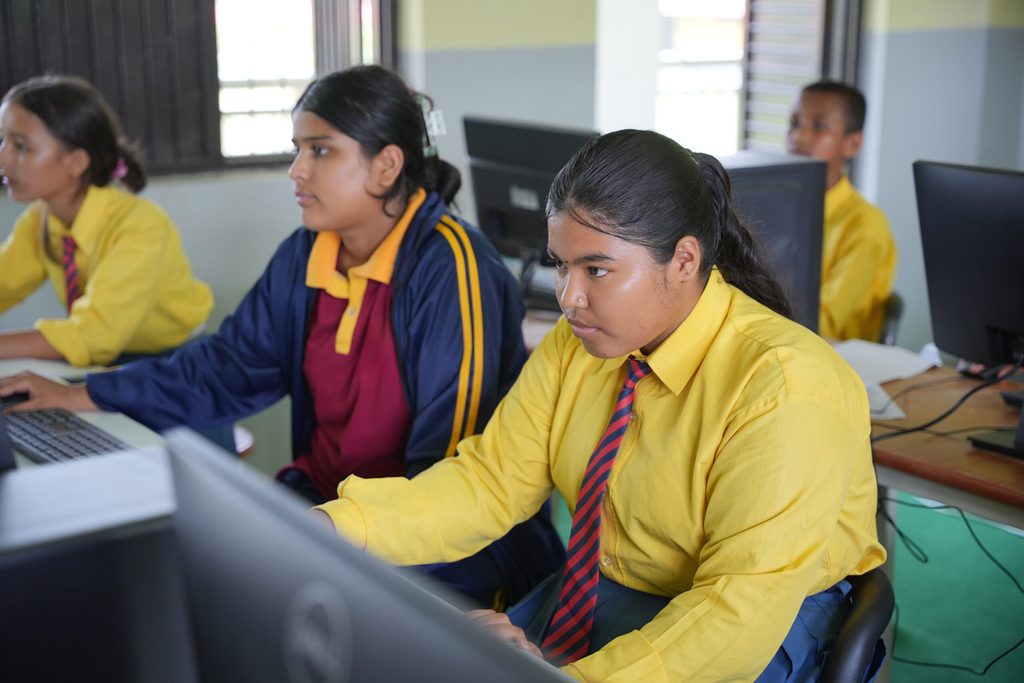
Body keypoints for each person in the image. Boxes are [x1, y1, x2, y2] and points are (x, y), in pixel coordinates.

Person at [310, 130, 888, 682]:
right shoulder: (580, 343)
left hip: (748, 625)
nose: (569, 297)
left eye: (597, 269)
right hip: (606, 588)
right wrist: (334, 527)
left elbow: (735, 613)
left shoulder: (787, 387)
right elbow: (489, 484)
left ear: (684, 260)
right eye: (561, 265)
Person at [0, 65, 564, 608]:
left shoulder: (453, 269)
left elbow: (451, 482)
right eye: (297, 150)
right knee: (178, 571)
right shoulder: (308, 254)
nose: (297, 170)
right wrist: (88, 393)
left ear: (386, 166)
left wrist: (328, 541)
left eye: (319, 151)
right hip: (327, 510)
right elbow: (227, 367)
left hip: (440, 550)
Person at [0, 74, 213, 367]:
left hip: (175, 362)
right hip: (109, 357)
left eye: (21, 146)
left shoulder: (140, 225)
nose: (4, 158)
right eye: (3, 141)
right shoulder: (41, 220)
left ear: (75, 162)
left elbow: (93, 335)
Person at [787, 79, 897, 342]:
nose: (798, 136)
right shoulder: (781, 209)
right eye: (794, 123)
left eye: (819, 126)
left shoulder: (865, 225)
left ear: (852, 144)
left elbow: (822, 321)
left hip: (833, 361)